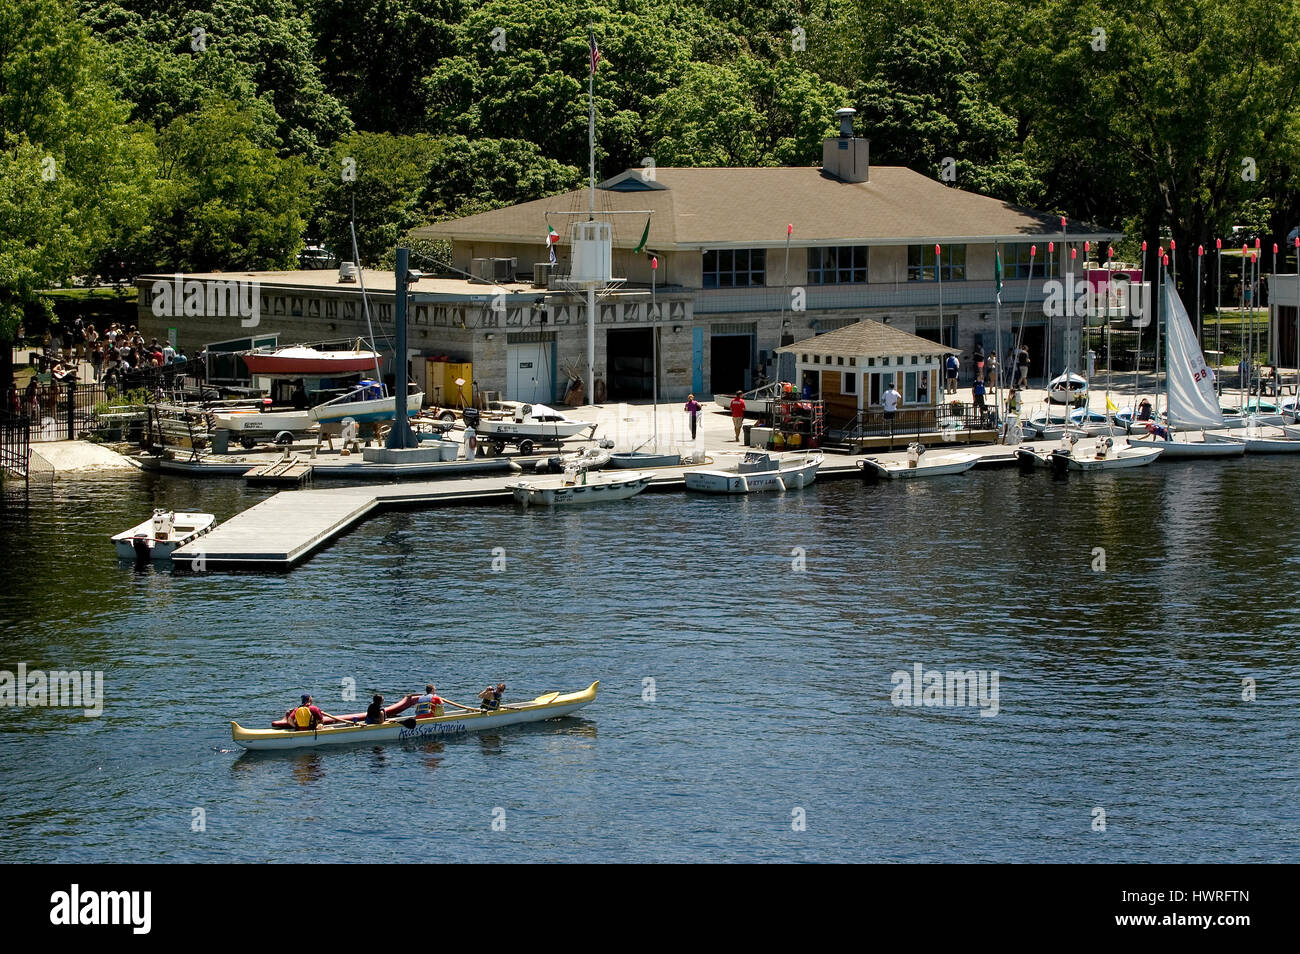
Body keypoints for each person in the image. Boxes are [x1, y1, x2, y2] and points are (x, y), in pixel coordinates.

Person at [285, 694, 349, 730]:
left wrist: (296, 727)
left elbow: (290, 720)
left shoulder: (296, 709)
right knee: (327, 727)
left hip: (299, 730)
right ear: (309, 700)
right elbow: (321, 721)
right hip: (311, 730)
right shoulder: (314, 708)